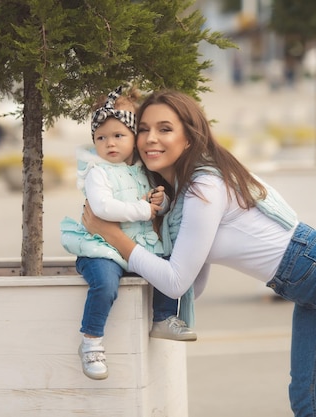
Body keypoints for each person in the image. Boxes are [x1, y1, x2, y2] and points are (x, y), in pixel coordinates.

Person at [81, 89, 316, 416]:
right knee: (310, 404)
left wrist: (111, 235)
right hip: (312, 287)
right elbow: (194, 282)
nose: (150, 139)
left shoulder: (204, 187)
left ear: (190, 138)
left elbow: (177, 282)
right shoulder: (183, 198)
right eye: (143, 129)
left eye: (165, 129)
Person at [60, 87, 196, 381]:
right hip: (101, 248)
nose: (109, 143)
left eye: (118, 136)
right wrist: (143, 210)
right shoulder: (98, 172)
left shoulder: (143, 170)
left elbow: (157, 201)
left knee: (168, 264)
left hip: (135, 245)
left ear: (134, 137)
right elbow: (103, 208)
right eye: (101, 137)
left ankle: (163, 317)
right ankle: (91, 341)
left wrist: (161, 204)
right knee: (105, 285)